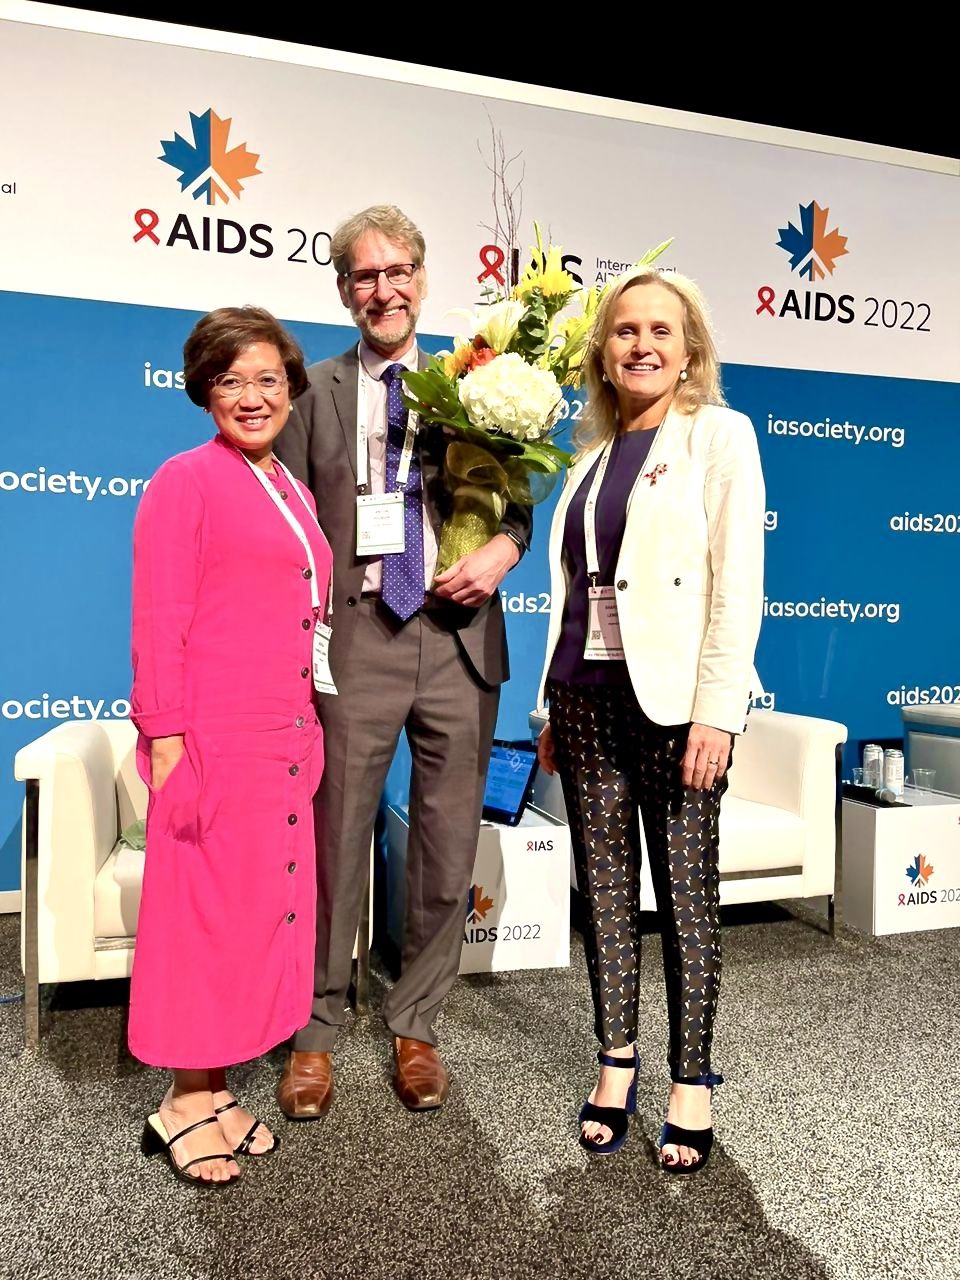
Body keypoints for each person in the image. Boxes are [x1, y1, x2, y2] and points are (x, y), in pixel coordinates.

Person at [274, 204, 531, 1115]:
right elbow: (291, 526)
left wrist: (505, 548)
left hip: (460, 644)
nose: (381, 290)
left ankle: (416, 1022)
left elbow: (518, 507)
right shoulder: (313, 391)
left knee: (444, 844)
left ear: (423, 279)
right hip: (357, 640)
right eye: (362, 277)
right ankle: (314, 1025)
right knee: (333, 836)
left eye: (396, 273)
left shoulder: (484, 386)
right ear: (344, 291)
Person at [536, 266, 764, 1171]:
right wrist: (545, 706)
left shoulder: (720, 437)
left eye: (660, 331)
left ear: (689, 349)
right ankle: (617, 1061)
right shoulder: (586, 459)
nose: (641, 345)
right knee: (604, 892)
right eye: (625, 330)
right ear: (604, 350)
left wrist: (720, 711)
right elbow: (568, 596)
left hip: (677, 710)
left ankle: (694, 1080)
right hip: (585, 699)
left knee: (687, 894)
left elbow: (735, 586)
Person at [131, 306, 331, 1186]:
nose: (251, 397)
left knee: (255, 917)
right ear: (203, 390)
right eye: (230, 380)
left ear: (289, 389)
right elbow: (160, 618)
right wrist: (165, 739)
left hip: (282, 735)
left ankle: (213, 1091)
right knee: (202, 920)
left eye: (267, 380)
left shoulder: (288, 486)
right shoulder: (187, 479)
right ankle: (179, 1101)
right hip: (211, 736)